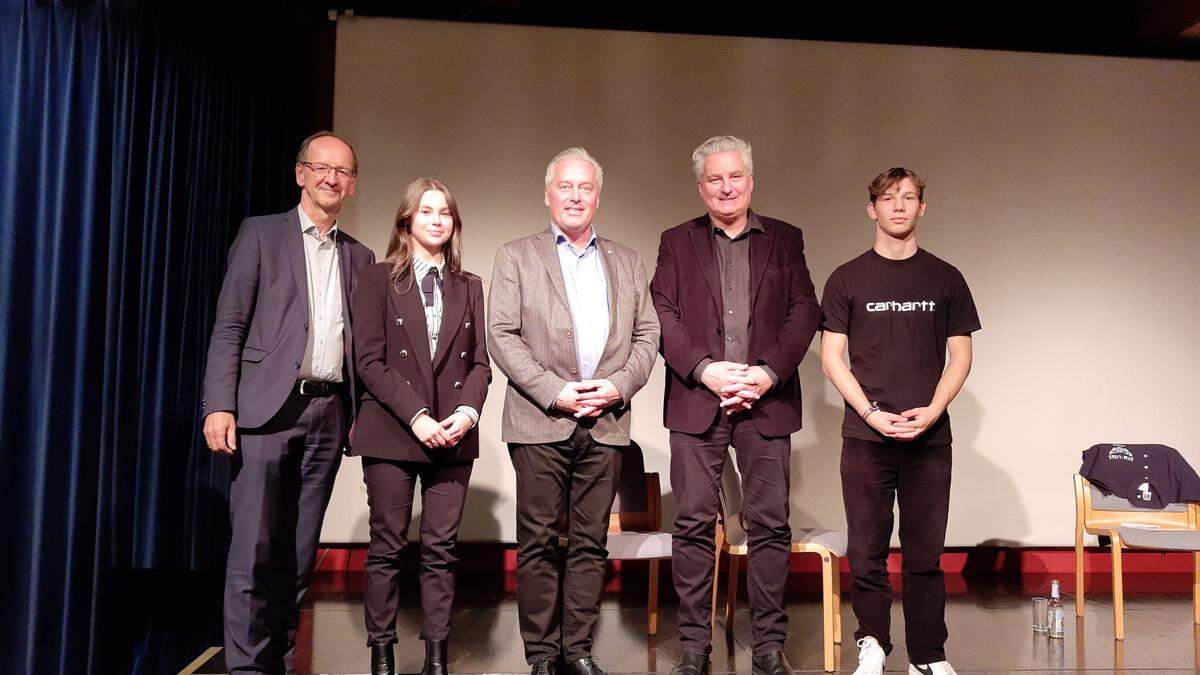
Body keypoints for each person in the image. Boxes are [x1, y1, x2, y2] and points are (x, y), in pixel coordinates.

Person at [201, 131, 375, 674]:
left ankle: (278, 660)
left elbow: (362, 349)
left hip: (327, 415)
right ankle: (246, 668)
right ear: (300, 173)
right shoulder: (260, 235)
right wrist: (218, 405)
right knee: (253, 551)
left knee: (299, 556)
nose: (331, 178)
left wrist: (358, 417)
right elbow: (229, 325)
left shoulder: (360, 256)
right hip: (263, 413)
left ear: (352, 184)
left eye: (342, 172)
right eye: (321, 168)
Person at [650, 135, 821, 675]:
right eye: (714, 179)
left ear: (751, 181)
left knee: (770, 524)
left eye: (735, 177)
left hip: (765, 402)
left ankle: (769, 646)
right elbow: (662, 315)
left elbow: (804, 312)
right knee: (694, 524)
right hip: (698, 398)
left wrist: (766, 373)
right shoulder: (676, 241)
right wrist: (705, 369)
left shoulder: (785, 239)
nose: (726, 187)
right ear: (701, 187)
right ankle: (694, 648)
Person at [487, 147, 660, 675]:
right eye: (566, 186)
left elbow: (648, 333)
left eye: (585, 187)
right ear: (548, 194)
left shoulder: (627, 260)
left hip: (606, 422)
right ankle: (541, 654)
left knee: (589, 542)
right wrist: (554, 391)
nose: (576, 196)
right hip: (541, 420)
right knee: (537, 541)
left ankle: (578, 649)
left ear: (598, 197)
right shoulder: (516, 256)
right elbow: (501, 334)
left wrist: (617, 385)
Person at [819, 168, 980, 675]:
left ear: (922, 208)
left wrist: (933, 409)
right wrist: (869, 412)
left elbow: (961, 355)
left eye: (909, 198)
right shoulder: (847, 278)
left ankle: (928, 655)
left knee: (925, 554)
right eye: (888, 199)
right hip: (867, 436)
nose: (898, 207)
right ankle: (872, 643)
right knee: (866, 549)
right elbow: (831, 357)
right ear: (872, 209)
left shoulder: (945, 277)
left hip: (929, 437)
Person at [349, 178, 491, 675]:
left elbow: (481, 365)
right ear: (407, 219)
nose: (436, 219)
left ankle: (436, 655)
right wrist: (417, 416)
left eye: (445, 212)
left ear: (454, 223)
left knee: (440, 549)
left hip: (452, 434)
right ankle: (382, 652)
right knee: (387, 544)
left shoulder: (469, 285)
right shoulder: (376, 278)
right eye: (426, 211)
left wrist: (466, 414)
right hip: (392, 430)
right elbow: (369, 361)